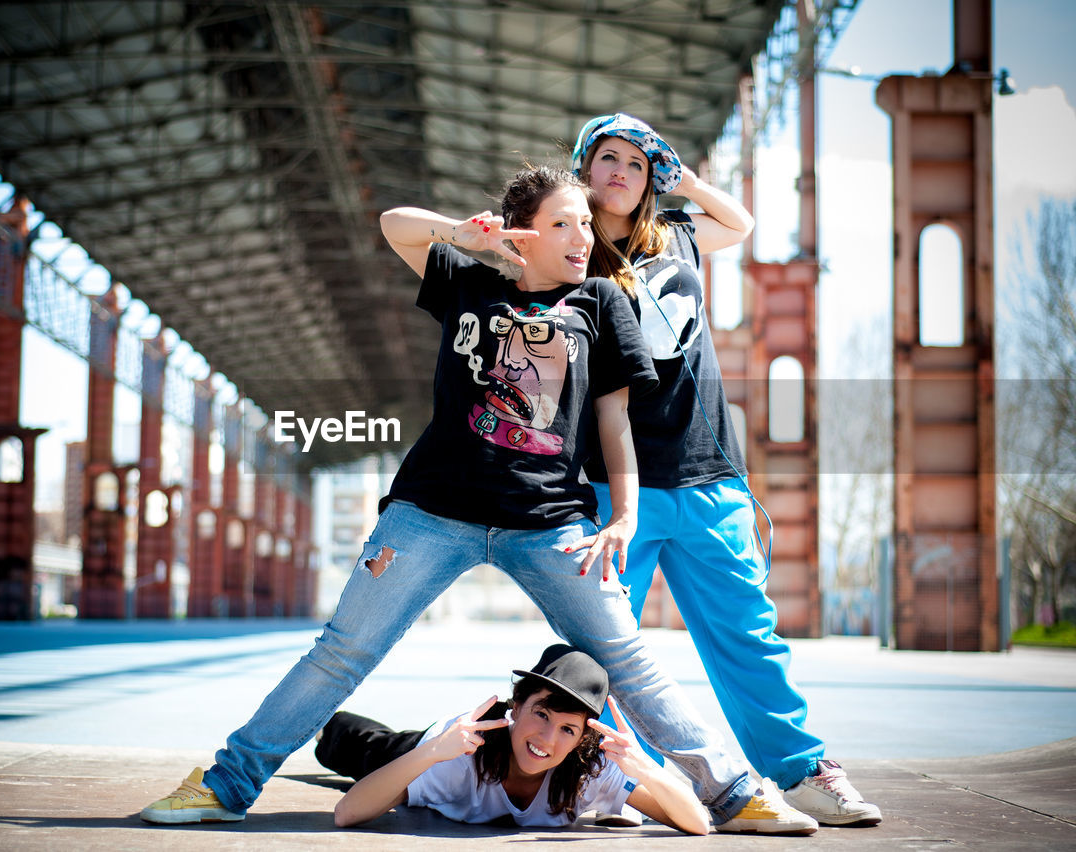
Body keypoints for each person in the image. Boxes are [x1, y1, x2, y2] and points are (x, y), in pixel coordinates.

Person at [140, 164, 815, 834]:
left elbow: (613, 422)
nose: (584, 236)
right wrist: (463, 235)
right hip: (434, 513)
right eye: (564, 224)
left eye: (585, 221)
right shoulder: (470, 283)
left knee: (630, 662)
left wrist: (626, 516)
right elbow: (394, 226)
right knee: (342, 652)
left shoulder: (603, 303)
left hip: (550, 524)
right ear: (524, 236)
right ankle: (225, 784)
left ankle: (733, 794)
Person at [571, 112, 883, 826]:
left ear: (654, 177)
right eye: (607, 157)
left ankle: (801, 772)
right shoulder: (570, 247)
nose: (621, 171)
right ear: (585, 168)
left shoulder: (678, 233)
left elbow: (737, 223)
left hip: (709, 476)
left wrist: (685, 178)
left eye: (637, 163)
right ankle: (605, 780)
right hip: (609, 484)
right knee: (599, 645)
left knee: (749, 637)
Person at [318, 644, 710, 835]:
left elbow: (697, 824)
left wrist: (647, 772)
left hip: (442, 754)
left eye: (567, 729)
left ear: (580, 741)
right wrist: (432, 752)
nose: (547, 738)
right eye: (541, 714)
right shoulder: (461, 751)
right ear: (516, 706)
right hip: (431, 747)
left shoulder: (593, 771)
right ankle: (326, 726)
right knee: (369, 748)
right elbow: (346, 814)